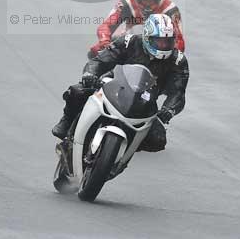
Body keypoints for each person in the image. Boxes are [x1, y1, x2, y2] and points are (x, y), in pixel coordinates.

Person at [52, 13, 189, 151]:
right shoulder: (129, 42)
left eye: (167, 41)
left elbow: (178, 92)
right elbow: (100, 60)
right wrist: (90, 74)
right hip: (112, 85)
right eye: (159, 41)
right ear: (147, 37)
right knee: (77, 92)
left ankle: (122, 156)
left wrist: (168, 110)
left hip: (145, 101)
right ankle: (67, 122)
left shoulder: (178, 60)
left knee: (157, 141)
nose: (163, 45)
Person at [89, 0, 184, 57]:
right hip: (129, 39)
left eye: (151, 0)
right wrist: (105, 41)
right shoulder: (126, 3)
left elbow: (179, 39)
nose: (147, 5)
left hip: (157, 45)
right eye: (143, 0)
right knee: (95, 51)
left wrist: (171, 55)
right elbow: (107, 25)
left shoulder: (170, 9)